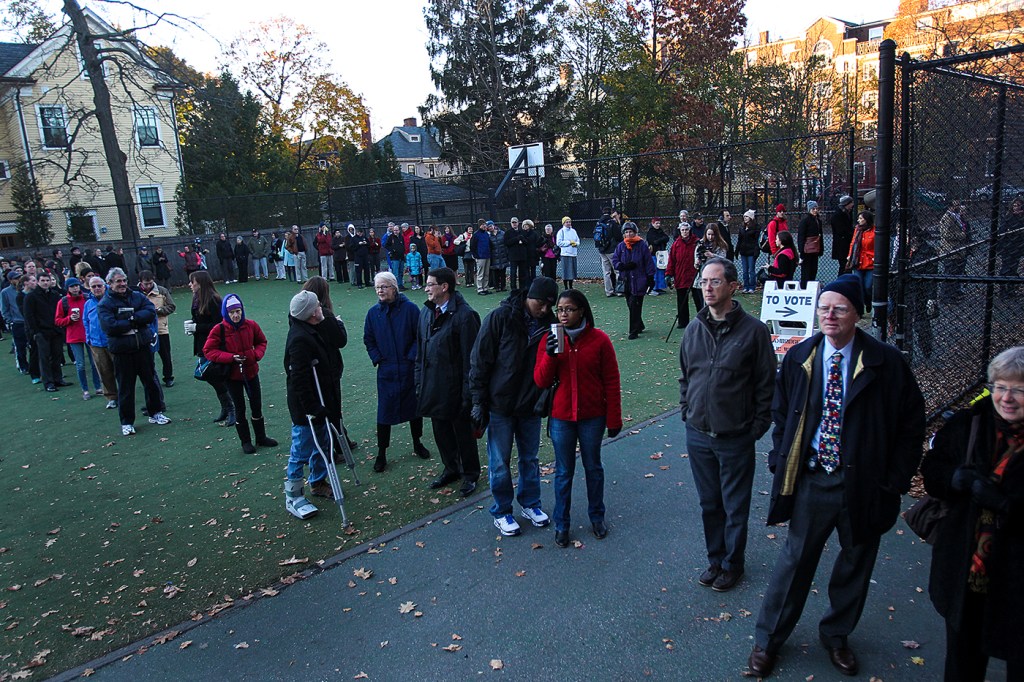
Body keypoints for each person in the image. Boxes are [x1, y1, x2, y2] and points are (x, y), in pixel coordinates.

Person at [747, 274, 925, 679]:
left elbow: (911, 425)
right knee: (794, 563)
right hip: (813, 479)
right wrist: (779, 456)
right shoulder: (800, 356)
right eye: (824, 307)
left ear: (857, 315)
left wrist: (894, 481)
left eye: (839, 308)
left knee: (855, 563)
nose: (829, 315)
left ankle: (837, 635)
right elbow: (781, 411)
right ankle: (768, 640)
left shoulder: (886, 362)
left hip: (865, 484)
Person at [921, 346, 1024, 682]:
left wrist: (1005, 504)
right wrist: (954, 478)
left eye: (1019, 389)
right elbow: (932, 469)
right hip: (966, 570)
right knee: (962, 661)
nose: (1007, 398)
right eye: (1000, 387)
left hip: (1016, 579)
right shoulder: (970, 423)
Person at [679, 257, 775, 592]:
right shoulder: (694, 328)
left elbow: (767, 385)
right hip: (698, 434)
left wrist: (755, 428)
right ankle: (715, 560)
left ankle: (733, 564)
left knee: (734, 506)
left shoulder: (754, 332)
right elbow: (685, 375)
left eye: (715, 281)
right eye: (704, 281)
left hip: (735, 436)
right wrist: (686, 410)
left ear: (733, 286)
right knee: (710, 504)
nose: (707, 287)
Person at [470, 276, 558, 536]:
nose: (544, 309)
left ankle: (530, 503)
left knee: (530, 458)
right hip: (500, 404)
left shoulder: (551, 326)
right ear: (529, 297)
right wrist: (478, 401)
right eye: (540, 303)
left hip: (530, 403)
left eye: (548, 305)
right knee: (499, 461)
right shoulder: (501, 317)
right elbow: (480, 360)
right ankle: (502, 509)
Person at [534, 289, 622, 548]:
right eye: (560, 309)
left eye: (569, 309)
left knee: (593, 467)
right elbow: (540, 380)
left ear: (582, 310)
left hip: (592, 416)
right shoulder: (550, 340)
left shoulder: (599, 340)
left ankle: (597, 517)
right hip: (562, 416)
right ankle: (562, 524)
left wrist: (614, 418)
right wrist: (550, 355)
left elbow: (611, 380)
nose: (563, 314)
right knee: (563, 472)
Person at [416, 267, 481, 496]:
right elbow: (420, 351)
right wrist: (419, 382)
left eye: (430, 284)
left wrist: (468, 395)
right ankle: (451, 468)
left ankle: (471, 474)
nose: (426, 289)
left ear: (445, 287)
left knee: (463, 434)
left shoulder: (465, 316)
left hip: (456, 390)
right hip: (433, 387)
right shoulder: (426, 312)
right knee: (441, 431)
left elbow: (471, 359)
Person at [364, 271, 431, 472]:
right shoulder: (373, 313)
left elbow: (420, 336)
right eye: (377, 288)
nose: (380, 291)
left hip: (409, 368)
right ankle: (382, 452)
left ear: (394, 287)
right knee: (384, 413)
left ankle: (417, 443)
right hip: (386, 371)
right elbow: (369, 339)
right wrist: (378, 358)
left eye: (384, 287)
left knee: (414, 409)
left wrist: (410, 357)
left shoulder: (410, 309)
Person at [97, 268, 170, 435]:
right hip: (122, 352)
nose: (122, 284)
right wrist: (134, 322)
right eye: (118, 281)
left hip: (142, 347)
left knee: (150, 381)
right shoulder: (105, 303)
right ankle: (127, 422)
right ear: (110, 284)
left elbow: (150, 312)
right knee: (126, 387)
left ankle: (155, 413)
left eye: (123, 280)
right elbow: (110, 326)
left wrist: (131, 319)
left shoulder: (136, 295)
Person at [203, 294, 277, 454]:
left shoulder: (251, 325)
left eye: (238, 311)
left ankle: (261, 437)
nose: (236, 315)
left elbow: (262, 342)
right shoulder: (219, 329)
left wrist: (255, 355)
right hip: (232, 376)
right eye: (232, 313)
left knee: (256, 405)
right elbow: (208, 351)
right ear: (226, 314)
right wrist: (230, 358)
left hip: (251, 372)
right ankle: (245, 441)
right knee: (239, 408)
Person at [282, 290, 333, 518]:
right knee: (300, 449)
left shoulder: (311, 327)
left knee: (320, 443)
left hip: (319, 401)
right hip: (306, 407)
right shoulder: (299, 338)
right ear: (311, 312)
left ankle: (317, 481)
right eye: (317, 306)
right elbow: (299, 378)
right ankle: (293, 496)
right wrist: (312, 407)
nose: (321, 307)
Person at [302, 276, 357, 454]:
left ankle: (340, 440)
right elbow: (340, 340)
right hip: (329, 367)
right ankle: (338, 445)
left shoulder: (300, 315)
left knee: (326, 406)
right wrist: (339, 323)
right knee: (332, 407)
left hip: (316, 367)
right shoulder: (324, 314)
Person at [186, 271, 235, 426]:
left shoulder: (213, 300)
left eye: (192, 282)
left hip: (214, 344)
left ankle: (232, 408)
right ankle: (226, 408)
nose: (190, 285)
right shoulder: (198, 299)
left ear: (200, 283)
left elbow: (219, 325)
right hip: (203, 343)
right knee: (211, 376)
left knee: (215, 375)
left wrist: (196, 327)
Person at [55, 276, 103, 400]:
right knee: (80, 364)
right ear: (68, 288)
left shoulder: (87, 298)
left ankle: (98, 387)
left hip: (89, 335)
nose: (75, 288)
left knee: (94, 363)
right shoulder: (63, 302)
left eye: (76, 285)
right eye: (72, 286)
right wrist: (69, 319)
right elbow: (58, 320)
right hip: (74, 336)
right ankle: (85, 390)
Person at [23, 270, 65, 392]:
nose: (46, 283)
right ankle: (48, 382)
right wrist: (35, 332)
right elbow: (29, 316)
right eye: (43, 281)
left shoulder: (55, 295)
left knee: (57, 355)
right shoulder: (31, 297)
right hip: (41, 332)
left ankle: (58, 379)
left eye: (47, 280)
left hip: (56, 330)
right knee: (44, 358)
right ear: (37, 282)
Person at [612, 222, 655, 340]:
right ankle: (639, 324)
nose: (628, 234)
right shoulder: (621, 246)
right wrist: (623, 266)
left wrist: (651, 278)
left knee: (635, 304)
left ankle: (633, 331)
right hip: (626, 281)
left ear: (635, 232)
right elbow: (615, 261)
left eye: (631, 231)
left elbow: (648, 262)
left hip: (639, 280)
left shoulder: (642, 245)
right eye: (626, 232)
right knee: (630, 305)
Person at [83, 276, 118, 409]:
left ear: (105, 286)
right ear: (89, 288)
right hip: (96, 344)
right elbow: (85, 322)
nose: (97, 288)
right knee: (104, 371)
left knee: (120, 369)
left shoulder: (112, 299)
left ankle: (125, 393)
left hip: (112, 340)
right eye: (93, 286)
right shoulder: (88, 304)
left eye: (99, 285)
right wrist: (89, 339)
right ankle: (111, 397)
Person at [138, 270, 175, 387]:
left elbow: (172, 306)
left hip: (161, 329)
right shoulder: (135, 293)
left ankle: (168, 377)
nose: (148, 286)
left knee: (165, 355)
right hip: (144, 331)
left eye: (150, 283)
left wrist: (159, 311)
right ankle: (150, 378)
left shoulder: (162, 291)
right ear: (140, 282)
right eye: (146, 284)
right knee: (147, 358)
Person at [666, 221, 700, 329]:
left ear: (690, 230)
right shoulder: (676, 244)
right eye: (682, 230)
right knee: (681, 300)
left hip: (694, 275)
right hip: (680, 275)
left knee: (698, 299)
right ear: (680, 231)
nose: (685, 232)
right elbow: (671, 260)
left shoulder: (697, 242)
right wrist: (668, 274)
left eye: (686, 230)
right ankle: (683, 321)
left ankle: (702, 319)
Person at [939, 200, 970, 302]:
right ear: (951, 206)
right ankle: (946, 296)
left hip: (958, 250)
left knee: (956, 273)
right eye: (956, 205)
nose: (958, 206)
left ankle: (953, 293)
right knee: (950, 273)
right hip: (950, 250)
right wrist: (961, 235)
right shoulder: (947, 218)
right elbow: (946, 234)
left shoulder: (957, 216)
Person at [846, 210, 876, 310]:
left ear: (866, 220)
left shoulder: (874, 231)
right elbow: (853, 243)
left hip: (870, 262)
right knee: (859, 285)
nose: (858, 220)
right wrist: (850, 255)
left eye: (861, 218)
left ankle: (868, 302)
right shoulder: (858, 230)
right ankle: (860, 307)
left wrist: (874, 256)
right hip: (858, 261)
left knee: (868, 286)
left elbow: (877, 246)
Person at [2, 271, 29, 375]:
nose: (18, 280)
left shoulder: (25, 290)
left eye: (19, 278)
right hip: (17, 322)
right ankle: (23, 366)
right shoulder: (5, 292)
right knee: (20, 347)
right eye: (16, 278)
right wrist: (10, 321)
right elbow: (4, 308)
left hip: (28, 321)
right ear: (10, 280)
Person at [998, 197, 1024, 296]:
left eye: (1017, 205)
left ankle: (1010, 289)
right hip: (1008, 247)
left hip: (1018, 247)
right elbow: (1003, 231)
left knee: (1013, 268)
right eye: (1014, 205)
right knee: (1006, 268)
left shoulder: (1021, 217)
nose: (1015, 207)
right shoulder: (1008, 217)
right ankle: (1004, 290)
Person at [595, 207, 622, 297]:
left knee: (606, 271)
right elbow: (618, 236)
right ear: (610, 213)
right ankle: (619, 290)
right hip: (611, 249)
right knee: (617, 270)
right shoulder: (612, 223)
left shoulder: (598, 222)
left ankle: (609, 291)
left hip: (602, 250)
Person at [797, 200, 823, 286]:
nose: (815, 210)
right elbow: (801, 237)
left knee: (813, 270)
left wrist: (821, 249)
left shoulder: (818, 221)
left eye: (816, 208)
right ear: (809, 210)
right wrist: (802, 252)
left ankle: (811, 287)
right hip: (807, 250)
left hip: (815, 249)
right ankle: (804, 288)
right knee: (806, 272)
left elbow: (820, 236)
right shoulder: (805, 221)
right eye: (813, 209)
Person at [736, 209, 760, 293]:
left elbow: (756, 240)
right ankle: (745, 286)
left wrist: (756, 251)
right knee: (745, 270)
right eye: (744, 216)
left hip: (751, 251)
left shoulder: (756, 227)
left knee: (751, 270)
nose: (745, 218)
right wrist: (737, 250)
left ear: (751, 217)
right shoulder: (742, 227)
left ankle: (752, 287)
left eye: (747, 216)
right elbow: (739, 239)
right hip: (743, 251)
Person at [831, 195, 855, 274]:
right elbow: (841, 230)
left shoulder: (846, 213)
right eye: (851, 203)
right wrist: (851, 233)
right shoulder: (838, 215)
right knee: (844, 265)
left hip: (844, 244)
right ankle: (843, 281)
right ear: (846, 204)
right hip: (842, 245)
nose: (852, 205)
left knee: (845, 265)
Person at [646, 217, 669, 295]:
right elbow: (653, 241)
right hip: (654, 254)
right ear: (653, 224)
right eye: (656, 223)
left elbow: (666, 238)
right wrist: (660, 240)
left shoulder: (660, 231)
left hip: (661, 254)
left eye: (659, 223)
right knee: (655, 270)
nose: (658, 225)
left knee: (661, 269)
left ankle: (660, 287)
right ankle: (654, 287)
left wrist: (659, 240)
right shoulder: (650, 232)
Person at [505, 217, 529, 291]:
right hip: (513, 256)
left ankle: (522, 287)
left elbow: (527, 242)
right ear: (511, 223)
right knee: (513, 273)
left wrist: (522, 239)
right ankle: (513, 288)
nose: (514, 224)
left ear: (518, 223)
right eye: (513, 223)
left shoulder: (522, 232)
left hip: (522, 256)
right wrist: (516, 239)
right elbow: (507, 243)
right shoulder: (508, 232)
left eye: (515, 222)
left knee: (522, 272)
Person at [555, 216, 580, 290]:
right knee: (566, 272)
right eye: (567, 222)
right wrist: (569, 242)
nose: (568, 223)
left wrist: (576, 244)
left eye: (569, 222)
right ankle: (566, 287)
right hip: (565, 254)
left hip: (573, 253)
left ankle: (571, 286)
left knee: (572, 271)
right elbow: (559, 243)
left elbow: (578, 240)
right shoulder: (561, 231)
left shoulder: (573, 231)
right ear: (563, 223)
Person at [470, 220, 493, 295]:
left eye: (485, 224)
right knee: (480, 273)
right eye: (483, 224)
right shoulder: (476, 235)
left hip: (487, 255)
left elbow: (489, 244)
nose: (485, 226)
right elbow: (472, 246)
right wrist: (476, 255)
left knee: (486, 273)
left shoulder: (486, 234)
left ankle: (485, 288)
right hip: (480, 256)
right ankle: (480, 289)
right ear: (480, 225)